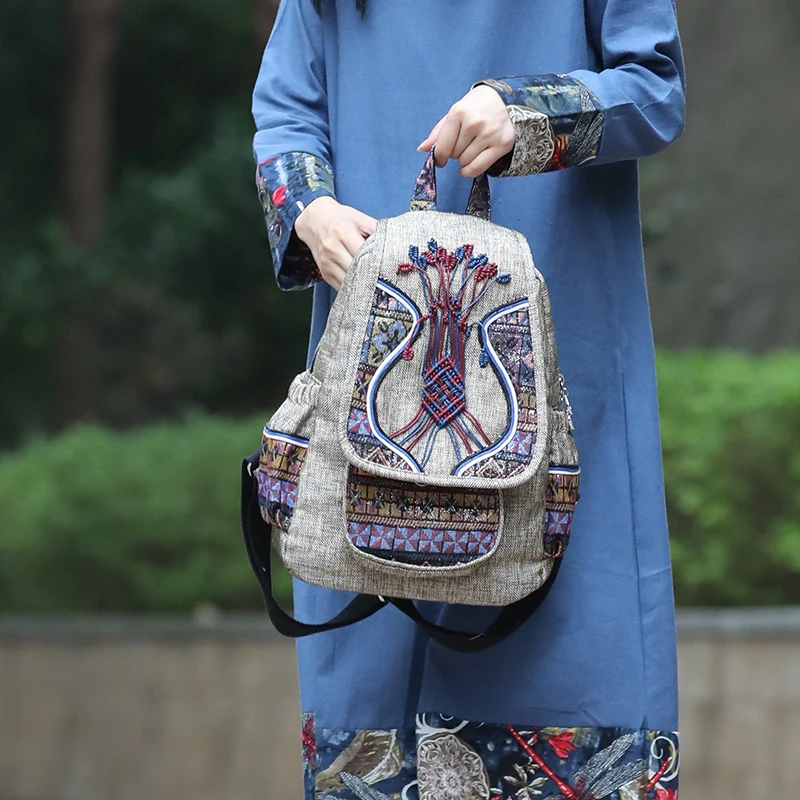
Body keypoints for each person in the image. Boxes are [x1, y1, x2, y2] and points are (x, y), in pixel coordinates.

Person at [252, 1, 685, 798]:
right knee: (372, 714)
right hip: (368, 403)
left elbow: (655, 89)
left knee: (575, 683)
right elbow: (286, 112)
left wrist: (526, 109)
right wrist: (309, 211)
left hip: (560, 373)